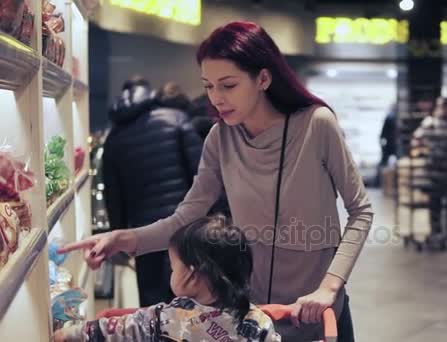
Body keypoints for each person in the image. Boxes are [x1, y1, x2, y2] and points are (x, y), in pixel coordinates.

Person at [60, 21, 374, 341]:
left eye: (228, 85)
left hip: (317, 312)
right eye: (209, 86)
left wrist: (330, 287)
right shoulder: (220, 138)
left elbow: (361, 211)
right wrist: (123, 238)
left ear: (263, 78)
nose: (216, 98)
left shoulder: (317, 125)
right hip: (251, 322)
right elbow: (187, 216)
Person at [53, 216, 281, 342]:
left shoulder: (168, 317)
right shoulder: (258, 322)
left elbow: (118, 329)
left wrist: (70, 334)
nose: (171, 272)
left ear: (192, 275)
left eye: (173, 267)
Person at [103, 76, 204, 306]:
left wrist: (118, 235)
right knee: (191, 301)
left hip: (144, 234)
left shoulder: (114, 139)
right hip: (184, 227)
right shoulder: (176, 119)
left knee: (153, 306)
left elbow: (114, 198)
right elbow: (202, 175)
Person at [412, 96, 447, 238]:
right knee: (435, 201)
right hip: (433, 168)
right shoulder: (430, 122)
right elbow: (416, 140)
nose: (444, 109)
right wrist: (424, 150)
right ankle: (437, 230)